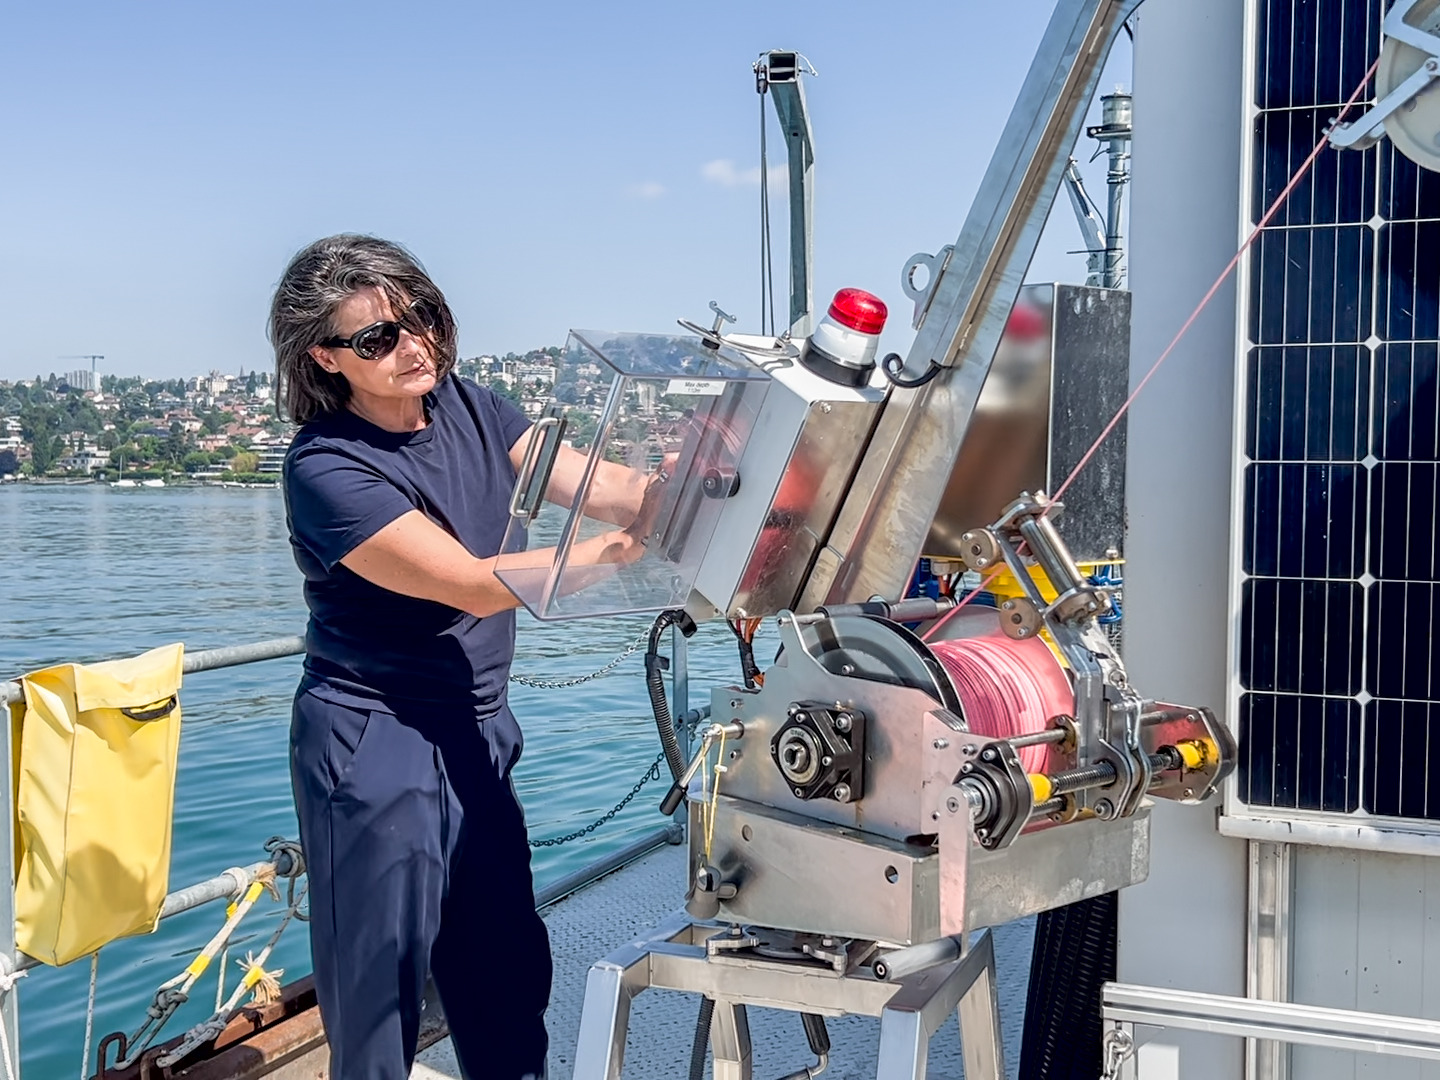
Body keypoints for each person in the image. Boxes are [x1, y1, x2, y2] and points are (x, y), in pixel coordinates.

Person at [271, 234, 660, 1079]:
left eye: (424, 319)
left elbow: (608, 487)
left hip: (479, 731)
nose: (413, 346)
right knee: (381, 1003)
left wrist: (710, 492)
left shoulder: (476, 408)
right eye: (377, 338)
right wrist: (621, 553)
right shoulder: (327, 467)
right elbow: (473, 585)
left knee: (506, 976)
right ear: (326, 358)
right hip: (376, 740)